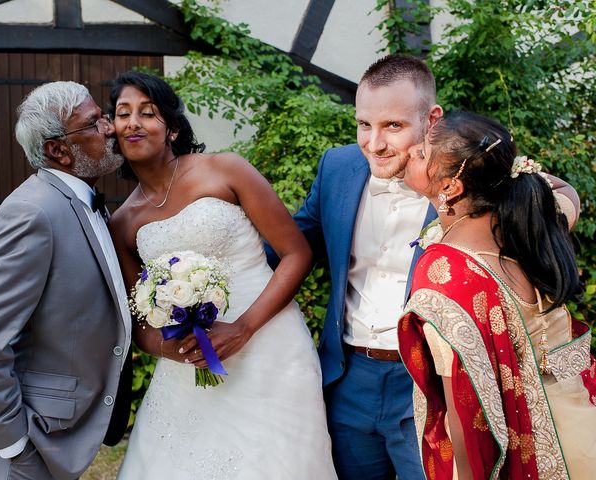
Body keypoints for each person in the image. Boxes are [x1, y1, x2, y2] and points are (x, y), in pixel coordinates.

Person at [107, 71, 337, 479]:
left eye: (148, 112)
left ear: (173, 128)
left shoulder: (225, 170)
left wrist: (243, 328)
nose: (133, 122)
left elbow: (296, 253)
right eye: (123, 114)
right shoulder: (123, 221)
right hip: (189, 368)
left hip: (271, 347)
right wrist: (178, 350)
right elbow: (139, 324)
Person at [267, 54, 441, 478]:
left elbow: (543, 205)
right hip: (348, 378)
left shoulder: (466, 176)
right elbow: (289, 245)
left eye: (393, 126)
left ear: (431, 120)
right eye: (365, 124)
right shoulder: (338, 167)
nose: (374, 143)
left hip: (429, 383)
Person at [399, 110, 595, 479]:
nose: (410, 151)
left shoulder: (445, 275)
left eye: (423, 153)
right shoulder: (532, 222)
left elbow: (461, 402)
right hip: (578, 418)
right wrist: (502, 170)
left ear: (450, 187)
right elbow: (568, 194)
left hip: (528, 450)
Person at [0, 81, 132, 479]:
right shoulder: (32, 213)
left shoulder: (84, 203)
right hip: (25, 442)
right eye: (94, 123)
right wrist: (12, 441)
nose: (109, 128)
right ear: (58, 150)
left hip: (54, 432)